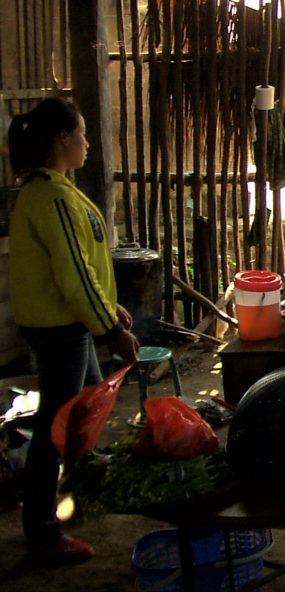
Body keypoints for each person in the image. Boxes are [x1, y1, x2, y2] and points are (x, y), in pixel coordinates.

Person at [8, 98, 139, 564]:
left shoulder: (51, 189)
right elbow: (72, 271)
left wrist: (109, 307)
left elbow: (81, 269)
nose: (87, 142)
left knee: (83, 408)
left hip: (69, 322)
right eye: (81, 134)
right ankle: (44, 534)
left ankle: (78, 495)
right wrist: (110, 331)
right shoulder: (53, 197)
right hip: (61, 327)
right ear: (62, 139)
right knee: (56, 429)